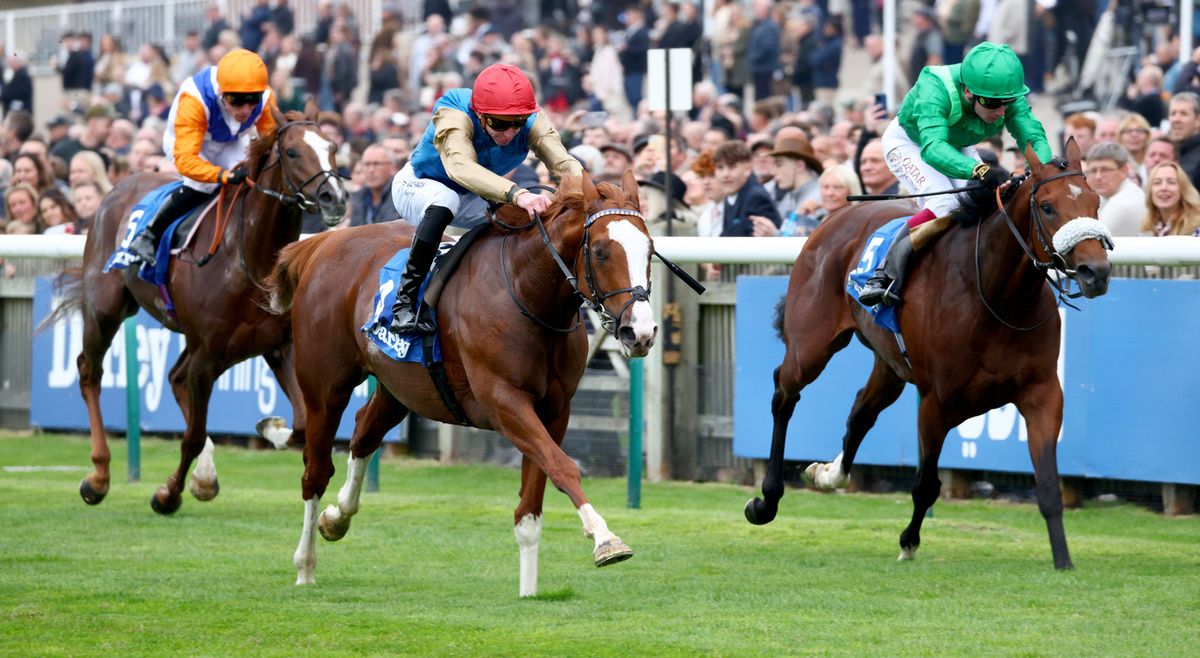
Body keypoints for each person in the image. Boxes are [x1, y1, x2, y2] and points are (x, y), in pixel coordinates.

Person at [387, 63, 582, 335]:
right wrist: (517, 193)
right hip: (420, 184)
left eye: (517, 124)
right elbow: (460, 168)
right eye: (500, 123)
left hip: (475, 193)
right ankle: (404, 304)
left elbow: (565, 164)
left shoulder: (533, 119)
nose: (510, 133)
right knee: (447, 200)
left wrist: (594, 198)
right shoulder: (454, 110)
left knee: (521, 220)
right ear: (479, 114)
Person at [859, 42, 1053, 307]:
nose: (1001, 111)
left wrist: (1038, 172)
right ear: (968, 92)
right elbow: (933, 148)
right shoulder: (934, 86)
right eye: (992, 103)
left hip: (955, 140)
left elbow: (1034, 138)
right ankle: (884, 273)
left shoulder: (1005, 93)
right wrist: (979, 169)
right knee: (945, 203)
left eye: (1008, 103)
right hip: (913, 142)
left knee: (987, 201)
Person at [127, 48, 276, 267]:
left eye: (252, 100)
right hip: (189, 143)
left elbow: (271, 141)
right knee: (203, 185)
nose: (245, 110)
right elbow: (187, 160)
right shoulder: (195, 100)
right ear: (222, 93)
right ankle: (149, 234)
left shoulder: (266, 98)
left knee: (251, 176)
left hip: (231, 139)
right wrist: (223, 175)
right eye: (236, 100)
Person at [1087, 142, 1144, 237]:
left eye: (1105, 170)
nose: (1098, 176)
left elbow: (1088, 243)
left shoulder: (1122, 203)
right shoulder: (1115, 195)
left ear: (1125, 170)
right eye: (1093, 170)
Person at [1140, 162, 1200, 237]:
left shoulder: (1197, 228)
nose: (1163, 188)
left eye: (1171, 182)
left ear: (1182, 190)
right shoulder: (1148, 226)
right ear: (1150, 191)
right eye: (1157, 183)